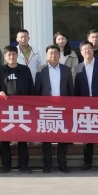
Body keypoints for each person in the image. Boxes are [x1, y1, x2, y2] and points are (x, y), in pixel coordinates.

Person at [0, 45, 35, 174]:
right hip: (5, 109)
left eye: (14, 54)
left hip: (22, 109)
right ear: (5, 57)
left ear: (17, 56)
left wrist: (31, 106)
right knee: (5, 138)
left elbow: (31, 88)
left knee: (22, 138)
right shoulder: (0, 71)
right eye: (9, 55)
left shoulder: (25, 70)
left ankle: (24, 165)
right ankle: (6, 165)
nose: (11, 57)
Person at [35, 45, 75, 173]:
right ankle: (47, 165)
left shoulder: (66, 70)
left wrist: (71, 107)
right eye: (50, 53)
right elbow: (37, 91)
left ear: (59, 55)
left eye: (56, 53)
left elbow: (70, 90)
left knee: (63, 137)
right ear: (46, 55)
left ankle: (62, 164)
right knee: (46, 138)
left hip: (63, 108)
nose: (53, 55)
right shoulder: (40, 70)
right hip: (46, 109)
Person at [74, 40, 98, 172]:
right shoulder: (78, 68)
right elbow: (76, 89)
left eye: (89, 48)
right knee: (87, 136)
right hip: (85, 107)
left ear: (93, 50)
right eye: (84, 49)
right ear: (81, 52)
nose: (87, 51)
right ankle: (87, 162)